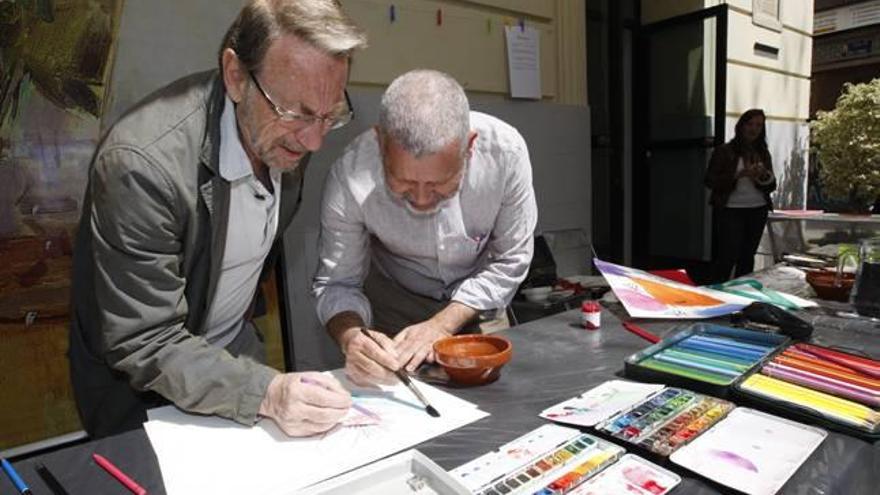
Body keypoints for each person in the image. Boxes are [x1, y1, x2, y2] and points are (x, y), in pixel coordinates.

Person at [69, 0, 367, 438]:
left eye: (329, 116)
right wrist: (266, 392)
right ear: (236, 76)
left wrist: (256, 381)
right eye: (298, 113)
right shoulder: (142, 167)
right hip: (140, 389)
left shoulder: (285, 141)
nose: (315, 141)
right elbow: (145, 340)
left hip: (232, 361)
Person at [313, 69, 538, 385]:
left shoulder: (506, 155)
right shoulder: (349, 176)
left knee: (494, 407)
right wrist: (352, 336)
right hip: (396, 305)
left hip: (480, 302)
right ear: (381, 143)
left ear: (469, 147)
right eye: (403, 182)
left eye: (439, 184)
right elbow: (337, 283)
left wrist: (443, 324)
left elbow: (510, 261)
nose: (420, 200)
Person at [704, 108, 776, 283]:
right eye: (750, 124)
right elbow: (710, 180)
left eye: (759, 125)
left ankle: (741, 296)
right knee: (728, 255)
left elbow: (771, 185)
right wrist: (739, 175)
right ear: (741, 126)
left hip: (757, 208)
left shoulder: (763, 152)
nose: (754, 129)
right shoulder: (725, 151)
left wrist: (763, 176)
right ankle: (716, 295)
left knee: (747, 255)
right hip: (731, 209)